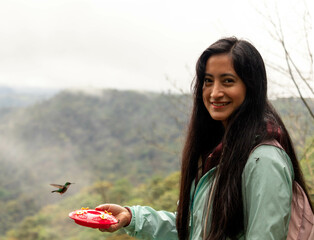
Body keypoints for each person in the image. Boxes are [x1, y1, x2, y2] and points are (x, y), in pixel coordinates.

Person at [95, 37, 313, 239]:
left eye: (228, 81)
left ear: (252, 87)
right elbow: (193, 228)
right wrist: (132, 217)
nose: (214, 92)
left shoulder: (263, 160)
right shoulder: (220, 153)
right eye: (208, 81)